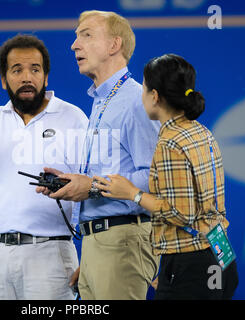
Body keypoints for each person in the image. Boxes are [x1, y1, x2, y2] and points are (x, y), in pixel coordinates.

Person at [0, 34, 88, 300]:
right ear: (3, 80)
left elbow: (94, 185)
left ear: (46, 77)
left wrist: (90, 258)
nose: (27, 77)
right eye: (17, 70)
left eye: (35, 69)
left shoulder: (73, 118)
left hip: (51, 255)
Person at [93, 53, 239, 299]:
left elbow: (181, 213)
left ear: (155, 96)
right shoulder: (201, 131)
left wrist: (132, 193)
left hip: (193, 264)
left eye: (144, 88)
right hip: (221, 254)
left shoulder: (170, 142)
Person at [38, 10, 161, 300]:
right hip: (99, 245)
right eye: (76, 36)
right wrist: (73, 184)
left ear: (114, 45)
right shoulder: (102, 100)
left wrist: (91, 186)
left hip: (123, 243)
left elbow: (155, 179)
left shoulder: (135, 100)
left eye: (86, 35)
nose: (74, 45)